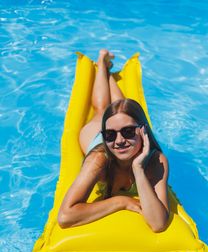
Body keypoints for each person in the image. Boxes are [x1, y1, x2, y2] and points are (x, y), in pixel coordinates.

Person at [57, 49, 169, 232]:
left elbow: (158, 224)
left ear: (143, 131)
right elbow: (65, 217)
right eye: (110, 134)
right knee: (101, 109)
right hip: (92, 137)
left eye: (128, 132)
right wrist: (121, 201)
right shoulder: (99, 159)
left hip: (136, 150)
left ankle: (107, 72)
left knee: (120, 106)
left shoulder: (157, 161)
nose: (119, 141)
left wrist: (138, 169)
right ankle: (102, 64)